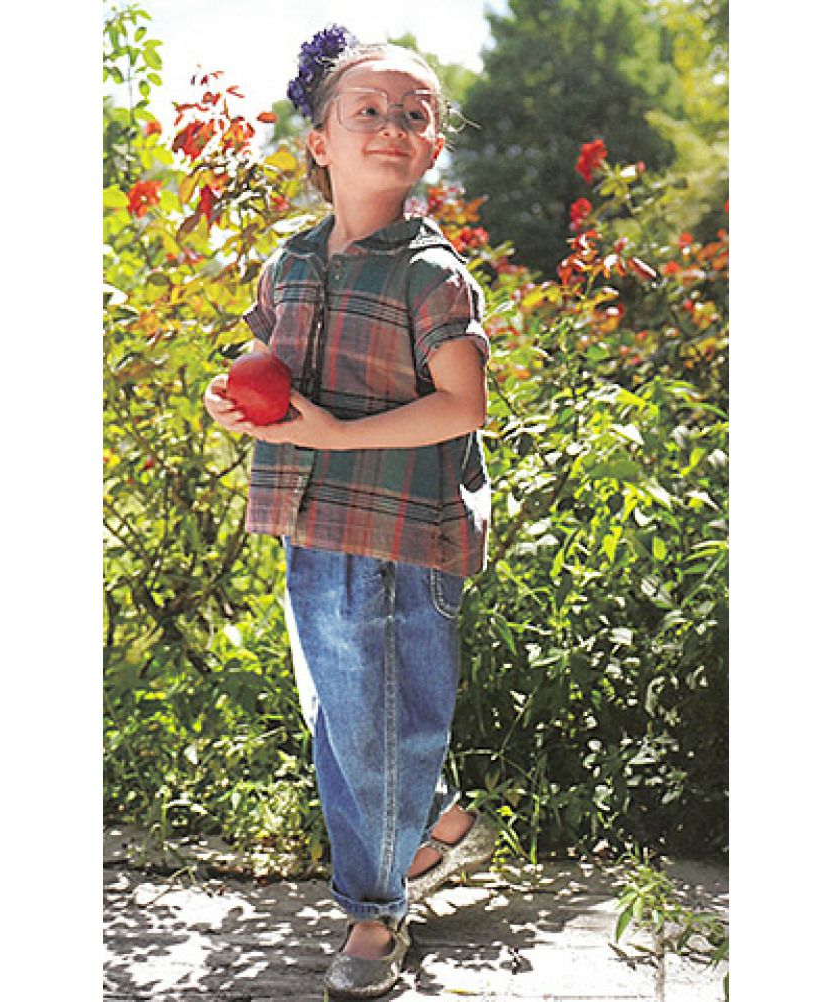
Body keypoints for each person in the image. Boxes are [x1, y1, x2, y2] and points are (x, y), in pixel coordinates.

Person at [203, 25, 497, 1000]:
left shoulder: (431, 274)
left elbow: (462, 405)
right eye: (367, 108)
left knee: (375, 727)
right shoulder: (289, 263)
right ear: (320, 143)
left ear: (433, 146)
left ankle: (374, 913)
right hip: (310, 527)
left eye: (415, 112)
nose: (393, 123)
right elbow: (265, 363)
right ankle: (443, 823)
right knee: (350, 720)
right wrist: (229, 395)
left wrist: (333, 438)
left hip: (399, 537)